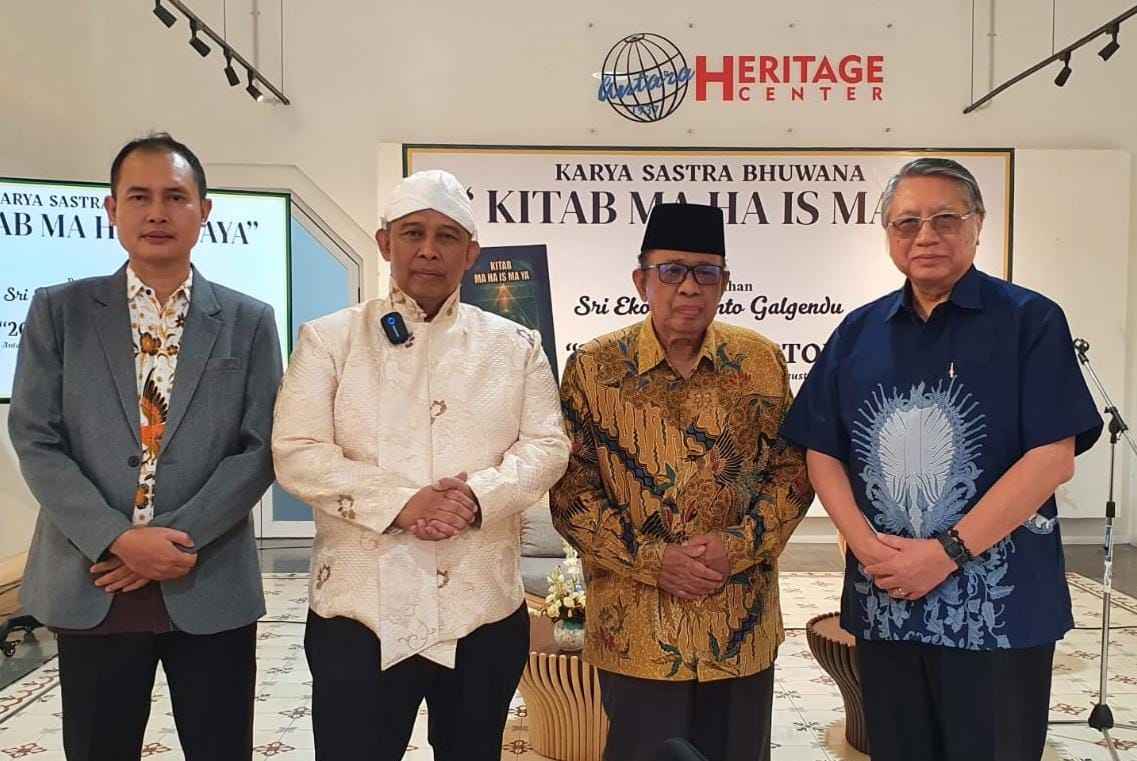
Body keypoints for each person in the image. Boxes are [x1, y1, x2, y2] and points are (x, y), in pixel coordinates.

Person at [781, 157, 1103, 761]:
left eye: (945, 219)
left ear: (978, 224)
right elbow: (821, 449)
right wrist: (865, 546)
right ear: (888, 234)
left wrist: (946, 553)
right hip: (888, 603)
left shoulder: (1029, 321)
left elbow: (1052, 458)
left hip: (998, 611)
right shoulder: (859, 332)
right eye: (907, 223)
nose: (925, 236)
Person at [272, 169, 570, 761]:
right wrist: (403, 503)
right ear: (386, 243)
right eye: (413, 233)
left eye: (446, 236)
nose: (429, 250)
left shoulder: (515, 346)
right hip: (358, 611)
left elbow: (547, 445)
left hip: (480, 607)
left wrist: (476, 497)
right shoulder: (329, 339)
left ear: (471, 254)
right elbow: (296, 451)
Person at [8, 132, 282, 761]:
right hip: (94, 578)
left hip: (207, 576)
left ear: (204, 211)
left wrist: (173, 542)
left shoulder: (248, 320)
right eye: (139, 196)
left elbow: (260, 447)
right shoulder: (60, 312)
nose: (157, 212)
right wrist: (118, 539)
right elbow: (36, 437)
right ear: (112, 209)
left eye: (175, 197)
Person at [550, 202, 812, 761]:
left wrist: (734, 547)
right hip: (637, 629)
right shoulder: (594, 368)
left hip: (739, 625)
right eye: (671, 271)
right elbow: (571, 494)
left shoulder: (759, 362)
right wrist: (655, 560)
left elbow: (792, 473)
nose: (689, 287)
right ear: (641, 280)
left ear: (724, 283)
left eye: (705, 272)